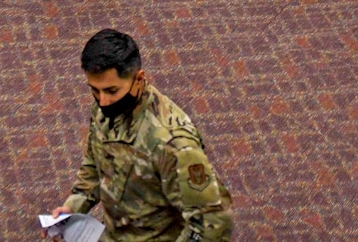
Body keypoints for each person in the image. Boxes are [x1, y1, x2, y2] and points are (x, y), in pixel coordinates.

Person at [54, 28, 233, 238]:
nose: (102, 101)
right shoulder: (107, 110)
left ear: (138, 79)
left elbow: (212, 221)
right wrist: (75, 205)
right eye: (95, 90)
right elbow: (95, 162)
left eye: (111, 91)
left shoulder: (171, 142)